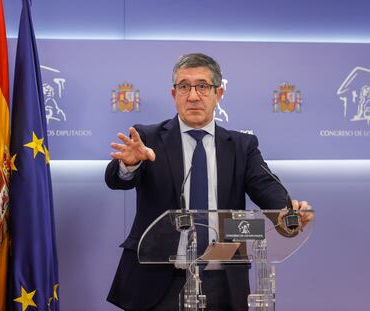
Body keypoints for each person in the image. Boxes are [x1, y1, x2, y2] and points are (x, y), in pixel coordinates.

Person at [105, 53, 313, 311]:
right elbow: (116, 179)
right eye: (184, 87)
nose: (193, 96)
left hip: (222, 282)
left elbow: (267, 188)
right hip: (157, 281)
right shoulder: (148, 137)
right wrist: (130, 164)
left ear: (219, 93)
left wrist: (288, 213)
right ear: (174, 94)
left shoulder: (241, 146)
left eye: (202, 86)